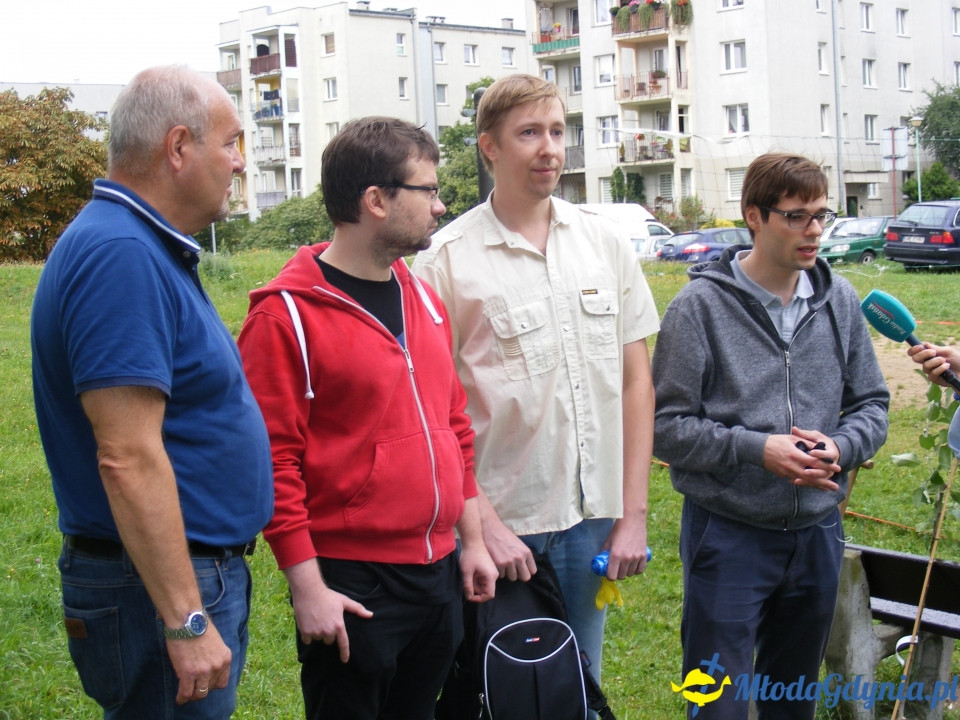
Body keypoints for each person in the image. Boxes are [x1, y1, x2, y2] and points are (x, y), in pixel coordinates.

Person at [30, 66, 274, 718]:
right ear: (178, 147)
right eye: (231, 142)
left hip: (171, 578)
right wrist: (186, 620)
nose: (240, 163)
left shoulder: (141, 245)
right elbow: (127, 456)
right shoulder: (121, 254)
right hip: (157, 588)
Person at [236, 116, 497, 720]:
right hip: (354, 584)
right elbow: (272, 463)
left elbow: (453, 427)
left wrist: (473, 542)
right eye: (428, 191)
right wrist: (308, 589)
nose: (440, 207)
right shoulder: (284, 318)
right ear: (376, 201)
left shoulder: (422, 297)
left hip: (439, 573)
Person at [412, 73, 658, 680]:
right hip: (502, 530)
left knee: (579, 688)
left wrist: (633, 514)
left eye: (556, 131)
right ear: (489, 147)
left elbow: (636, 385)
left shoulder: (605, 244)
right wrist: (482, 529)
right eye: (529, 133)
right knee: (500, 692)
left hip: (591, 521)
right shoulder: (444, 262)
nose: (549, 148)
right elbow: (429, 414)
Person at [651, 153, 890, 720]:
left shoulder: (840, 300)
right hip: (728, 534)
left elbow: (872, 404)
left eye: (822, 215)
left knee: (792, 700)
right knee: (717, 704)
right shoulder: (698, 309)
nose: (814, 230)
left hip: (817, 533)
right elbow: (664, 427)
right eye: (796, 216)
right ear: (754, 216)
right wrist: (757, 450)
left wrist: (842, 447)